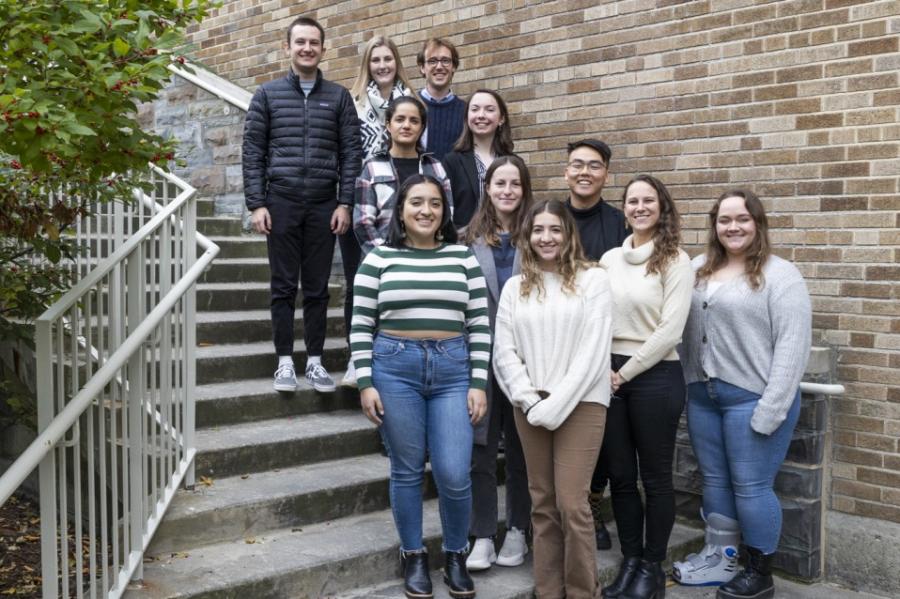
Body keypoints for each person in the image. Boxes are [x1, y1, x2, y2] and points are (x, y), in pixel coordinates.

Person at [351, 174, 490, 599]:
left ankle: (454, 554)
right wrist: (365, 382)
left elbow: (480, 323)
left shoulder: (462, 257)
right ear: (401, 210)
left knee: (453, 472)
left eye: (434, 203)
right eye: (416, 202)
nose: (426, 210)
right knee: (407, 471)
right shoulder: (378, 259)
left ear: (444, 211)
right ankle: (413, 555)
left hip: (453, 370)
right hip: (394, 369)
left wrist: (478, 382)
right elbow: (360, 323)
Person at [675, 189, 812, 599]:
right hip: (702, 395)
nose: (733, 227)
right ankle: (721, 559)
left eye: (742, 219)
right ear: (714, 225)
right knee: (715, 481)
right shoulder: (697, 268)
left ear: (758, 224)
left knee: (751, 487)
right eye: (724, 220)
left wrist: (772, 408)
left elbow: (793, 346)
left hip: (752, 399)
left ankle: (759, 573)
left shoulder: (781, 275)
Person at [493, 200, 613, 599]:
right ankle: (548, 591)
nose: (547, 238)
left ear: (568, 234)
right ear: (526, 235)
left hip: (582, 403)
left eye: (555, 229)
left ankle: (582, 592)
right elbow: (504, 352)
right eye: (538, 230)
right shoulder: (515, 286)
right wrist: (528, 399)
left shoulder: (592, 280)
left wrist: (553, 404)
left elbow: (593, 352)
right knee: (542, 503)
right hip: (530, 404)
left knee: (572, 502)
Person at [242, 15, 361, 394]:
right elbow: (252, 152)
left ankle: (314, 361)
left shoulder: (339, 97)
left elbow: (351, 153)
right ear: (288, 47)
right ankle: (283, 363)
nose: (307, 48)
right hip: (281, 202)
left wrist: (345, 203)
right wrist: (256, 203)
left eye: (314, 42)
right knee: (282, 285)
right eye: (300, 42)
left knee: (317, 287)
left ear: (323, 49)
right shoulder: (267, 95)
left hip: (325, 204)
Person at [598, 175, 693, 599]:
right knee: (620, 476)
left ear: (662, 206)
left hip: (654, 375)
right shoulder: (608, 260)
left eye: (648, 200)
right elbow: (596, 318)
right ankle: (631, 560)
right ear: (625, 208)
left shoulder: (676, 260)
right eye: (632, 201)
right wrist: (603, 370)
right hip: (609, 375)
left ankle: (653, 568)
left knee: (654, 479)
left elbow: (671, 330)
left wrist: (626, 372)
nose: (639, 207)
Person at [461, 156, 534, 572]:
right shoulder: (465, 239)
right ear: (487, 188)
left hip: (527, 362)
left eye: (515, 184)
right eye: (499, 183)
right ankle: (484, 534)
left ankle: (519, 530)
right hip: (481, 362)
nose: (507, 190)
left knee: (524, 451)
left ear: (525, 189)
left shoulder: (541, 235)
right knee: (481, 451)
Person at [564, 138, 628, 549]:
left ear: (605, 173)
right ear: (566, 171)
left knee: (601, 434)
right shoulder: (551, 216)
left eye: (594, 166)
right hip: (556, 338)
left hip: (605, 339)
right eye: (577, 165)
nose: (584, 172)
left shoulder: (620, 223)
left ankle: (591, 506)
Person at [354, 96, 452, 256]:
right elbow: (362, 222)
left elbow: (448, 215)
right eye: (400, 119)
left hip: (428, 257)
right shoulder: (372, 167)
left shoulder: (435, 168)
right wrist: (386, 256)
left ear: (422, 128)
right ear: (388, 125)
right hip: (383, 259)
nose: (406, 125)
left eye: (414, 121)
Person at [443, 89, 515, 228]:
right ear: (466, 118)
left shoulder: (514, 163)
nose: (481, 115)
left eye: (489, 109)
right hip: (465, 244)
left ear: (501, 118)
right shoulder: (452, 162)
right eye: (475, 109)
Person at [350, 35, 416, 162]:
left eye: (388, 59)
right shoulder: (354, 105)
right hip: (365, 178)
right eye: (375, 60)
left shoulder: (412, 102)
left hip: (405, 178)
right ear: (367, 65)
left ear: (396, 62)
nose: (382, 66)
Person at [416, 38, 466, 160]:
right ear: (422, 67)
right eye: (432, 61)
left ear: (453, 66)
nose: (439, 66)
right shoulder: (410, 106)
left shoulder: (466, 111)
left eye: (445, 60)